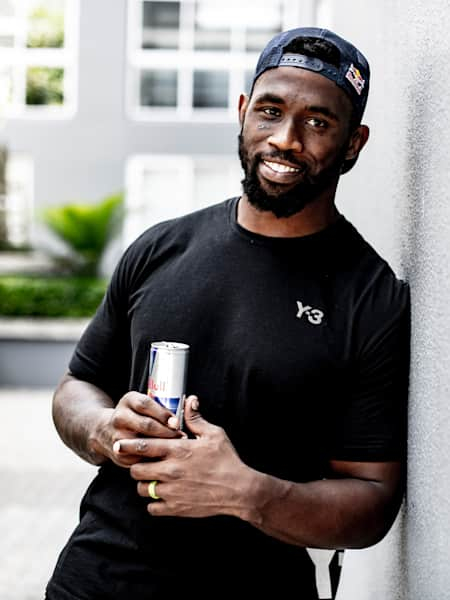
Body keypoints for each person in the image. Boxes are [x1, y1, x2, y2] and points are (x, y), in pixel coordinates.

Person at [45, 27, 410, 600]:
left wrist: (245, 492)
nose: (285, 139)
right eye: (270, 111)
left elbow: (372, 501)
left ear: (353, 143)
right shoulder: (161, 247)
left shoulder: (370, 295)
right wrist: (103, 428)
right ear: (243, 114)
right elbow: (78, 384)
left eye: (318, 122)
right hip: (96, 580)